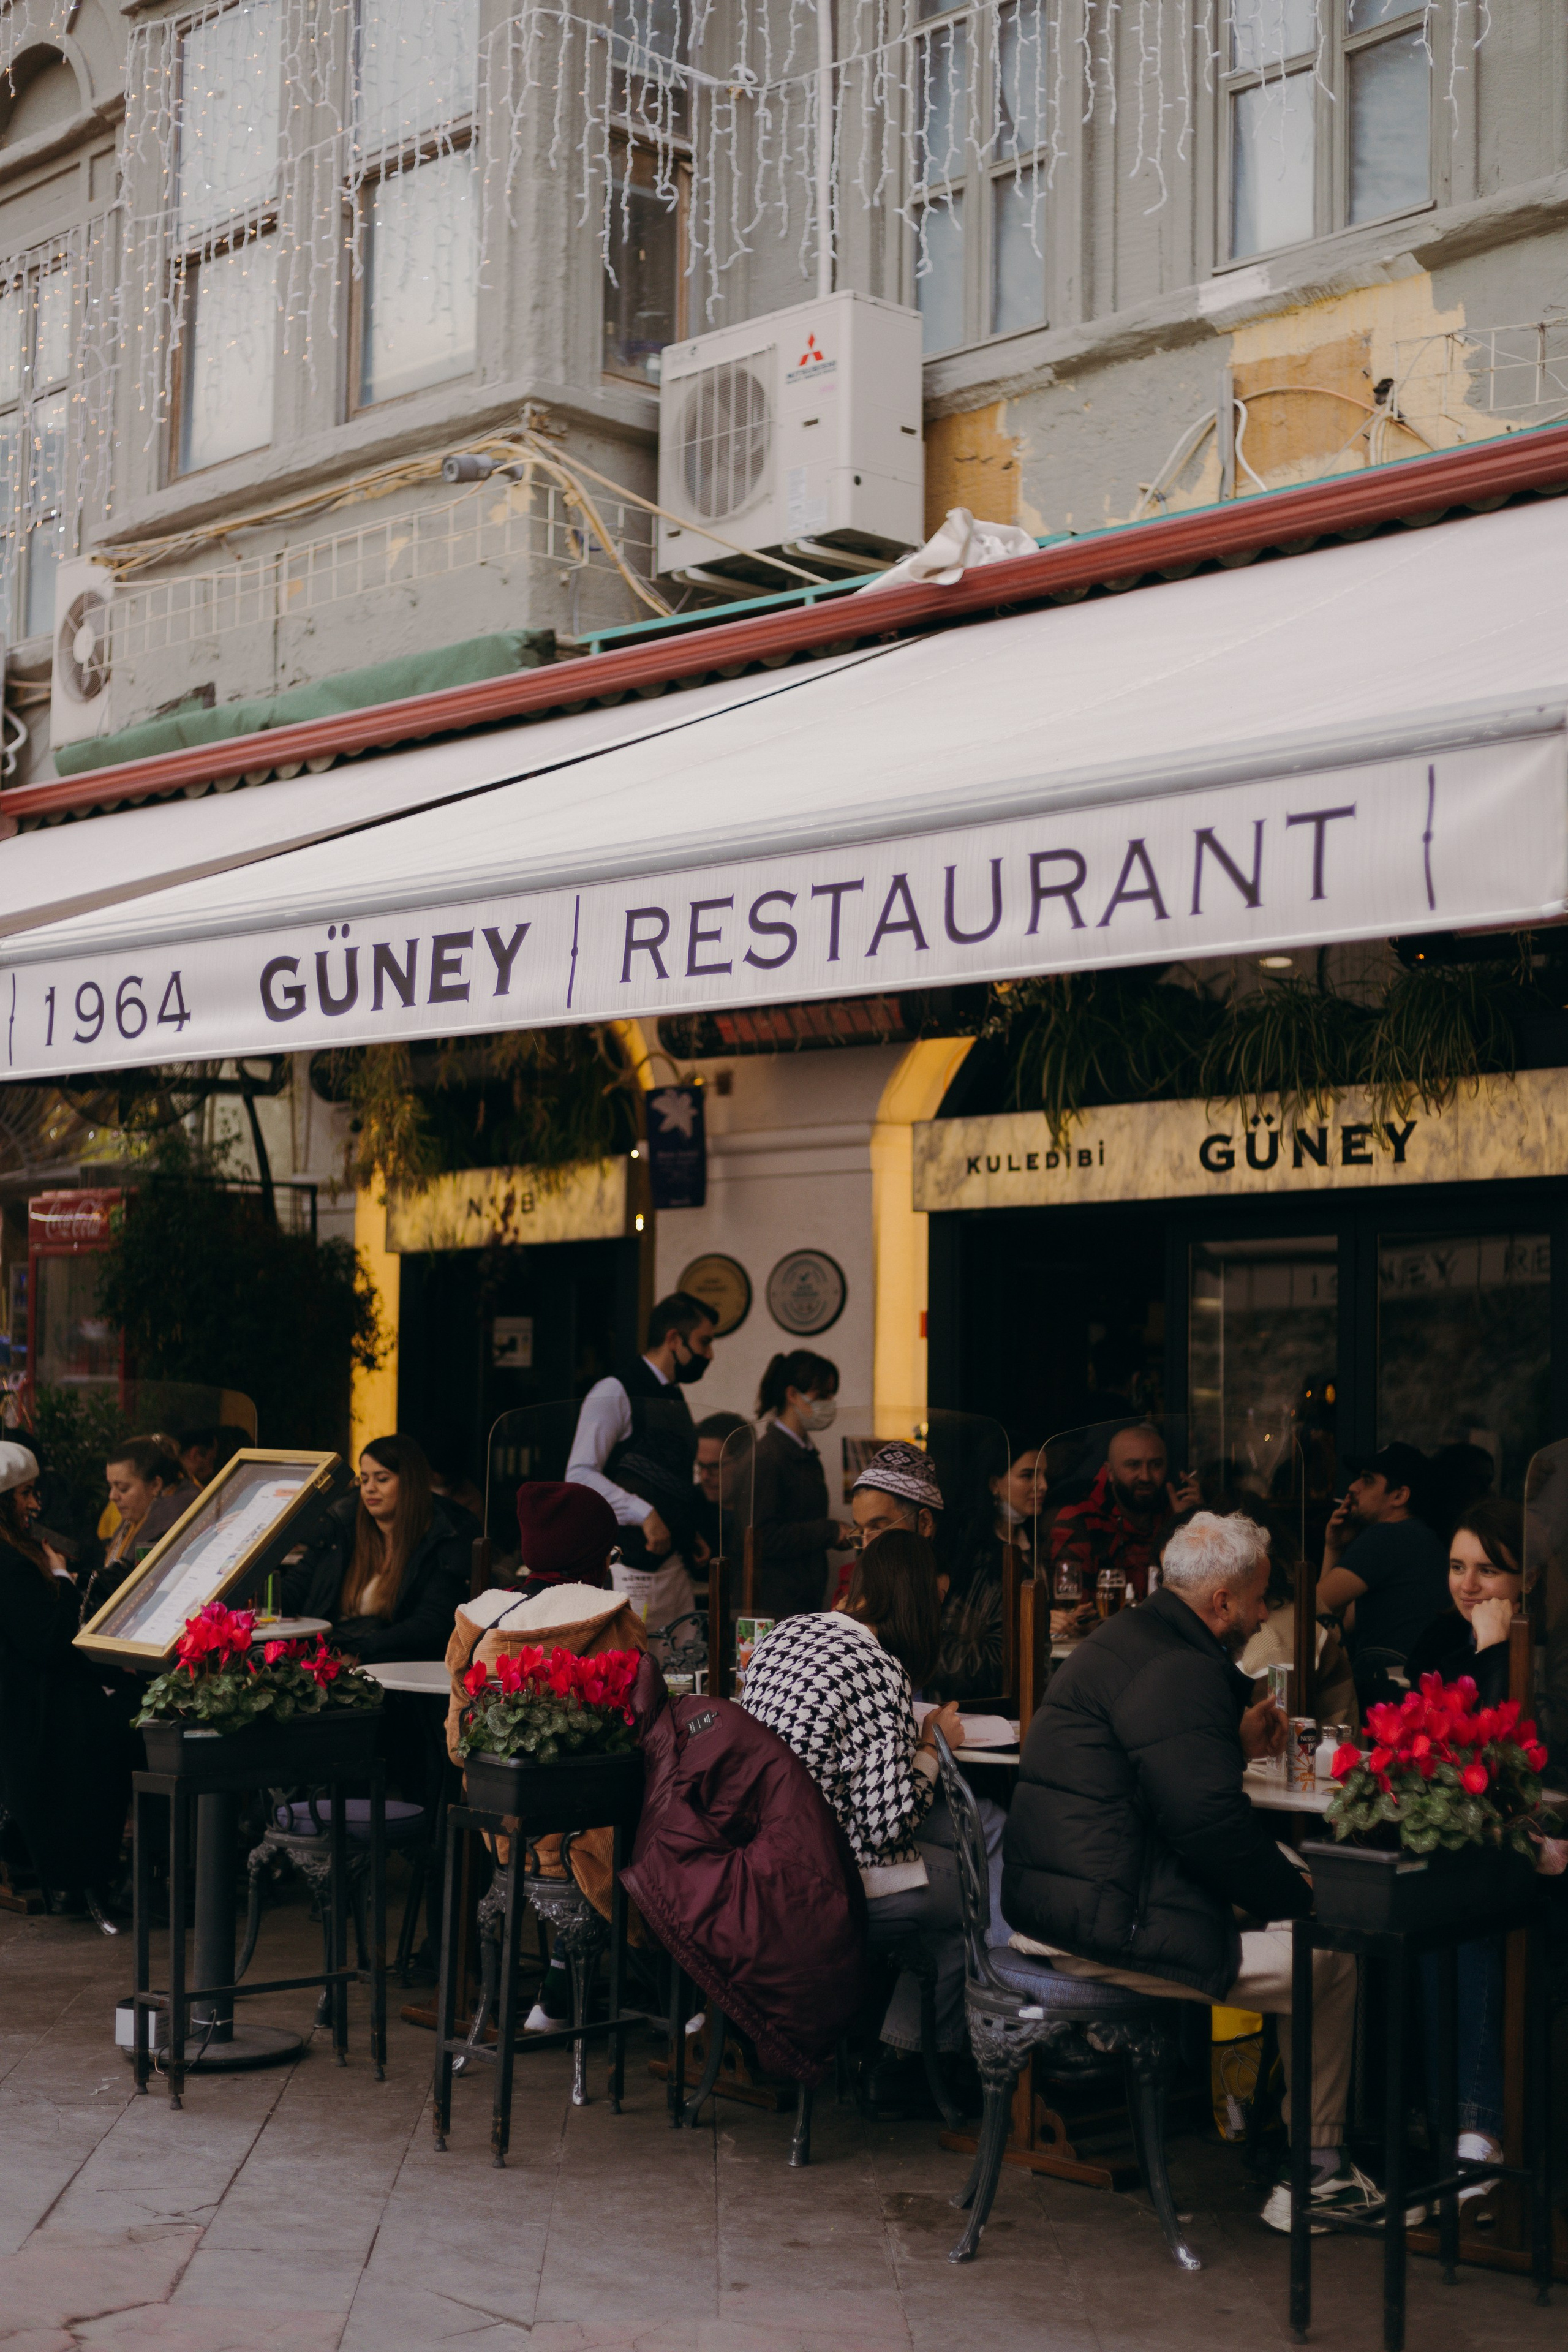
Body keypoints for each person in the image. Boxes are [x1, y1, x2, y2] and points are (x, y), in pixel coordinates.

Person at [1004, 1511, 1377, 2233]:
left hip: (1069, 1898)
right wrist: (1295, 1897)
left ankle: (1284, 2133)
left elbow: (1161, 1783)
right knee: (1331, 1945)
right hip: (1096, 1922)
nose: (1265, 1612)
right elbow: (1207, 1828)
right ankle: (1316, 2171)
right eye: (1259, 1597)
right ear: (1221, 1603)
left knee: (1295, 1881)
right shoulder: (1181, 1668)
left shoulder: (1135, 1641)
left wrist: (1228, 1744)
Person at [740, 1528, 1004, 2113]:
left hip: (759, 1863)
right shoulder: (878, 1667)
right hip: (827, 1883)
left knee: (976, 1839)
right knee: (977, 1883)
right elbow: (889, 1827)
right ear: (918, 1601)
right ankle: (951, 2056)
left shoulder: (786, 1634)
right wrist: (932, 1747)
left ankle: (911, 2051)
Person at [1403, 1496, 1535, 2211]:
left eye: (1489, 1570)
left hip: (1532, 1861)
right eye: (1457, 1567)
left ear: (1526, 1579)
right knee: (1427, 1902)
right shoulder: (1440, 1640)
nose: (1468, 1585)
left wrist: (1495, 1650)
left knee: (1475, 1907)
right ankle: (1447, 2131)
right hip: (1465, 1849)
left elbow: (1503, 1745)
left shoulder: (1538, 1650)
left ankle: (1479, 2133)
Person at [0, 1441, 130, 1924]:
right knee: (113, 1737)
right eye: (26, 1494)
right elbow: (52, 1642)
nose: (36, 1505)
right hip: (38, 1711)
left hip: (31, 1701)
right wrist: (63, 1578)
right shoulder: (11, 1563)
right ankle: (89, 1881)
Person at [565, 1291, 717, 1635]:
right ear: (674, 1339)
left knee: (683, 1670)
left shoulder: (675, 1395)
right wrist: (644, 1513)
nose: (710, 1354)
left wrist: (687, 1530)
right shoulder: (614, 1390)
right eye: (704, 1342)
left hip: (673, 1566)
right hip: (626, 1566)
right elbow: (580, 1475)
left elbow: (669, 1475)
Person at [281, 1433, 467, 1662]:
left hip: (390, 1666)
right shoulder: (342, 1527)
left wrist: (360, 1652)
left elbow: (432, 1622)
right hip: (328, 1655)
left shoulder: (443, 1536)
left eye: (382, 1479)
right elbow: (296, 1589)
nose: (369, 1489)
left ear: (410, 1483)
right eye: (364, 1479)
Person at [929, 1444, 1082, 1701]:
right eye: (1028, 1475)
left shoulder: (1035, 1543)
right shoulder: (967, 1552)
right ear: (994, 1483)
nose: (1042, 1485)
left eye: (1044, 1474)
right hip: (976, 1700)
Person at [1317, 1443, 1450, 1695]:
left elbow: (1312, 1608)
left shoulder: (1388, 1536)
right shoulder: (1420, 1538)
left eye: (1367, 1480)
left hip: (1385, 1694)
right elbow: (1339, 1621)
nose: (1353, 1487)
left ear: (1400, 1496)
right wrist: (1334, 1547)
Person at [751, 1350, 855, 1621]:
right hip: (777, 1602)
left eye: (832, 1395)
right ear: (793, 1395)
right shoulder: (769, 1455)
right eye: (822, 1396)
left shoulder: (805, 1452)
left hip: (803, 1595)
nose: (829, 1404)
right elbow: (764, 1537)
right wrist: (830, 1532)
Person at [1048, 1422, 1200, 1605]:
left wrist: (1191, 1524)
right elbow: (1076, 1611)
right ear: (1110, 1472)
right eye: (1133, 1465)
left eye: (1156, 1465)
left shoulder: (1173, 1514)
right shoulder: (1080, 1519)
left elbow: (1199, 1599)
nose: (1145, 1476)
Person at [82, 1438, 192, 1619]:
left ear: (155, 1485)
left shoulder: (170, 1525)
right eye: (111, 1486)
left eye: (123, 1488)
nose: (112, 1497)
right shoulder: (141, 1512)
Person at [693, 1410, 752, 1570]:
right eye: (700, 1466)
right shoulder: (690, 1506)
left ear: (744, 1463)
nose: (705, 1476)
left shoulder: (761, 1508)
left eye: (714, 1466)